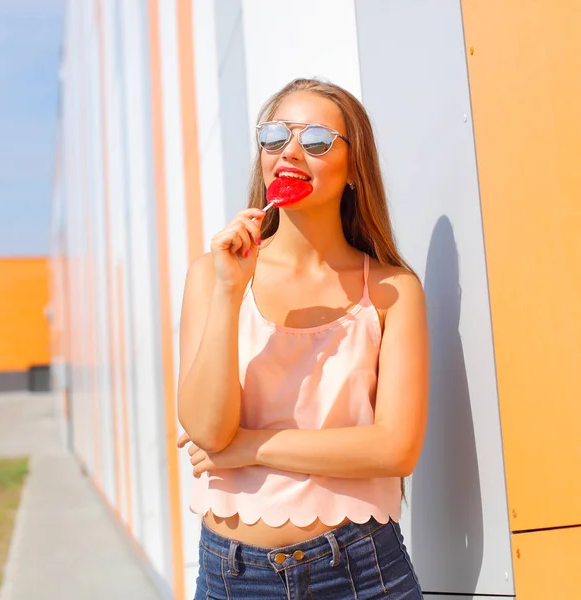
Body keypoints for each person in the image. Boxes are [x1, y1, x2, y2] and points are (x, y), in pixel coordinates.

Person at [177, 78, 429, 599]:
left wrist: (249, 447)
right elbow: (205, 429)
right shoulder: (212, 275)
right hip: (233, 577)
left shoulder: (391, 290)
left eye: (315, 140)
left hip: (361, 572)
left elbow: (395, 449)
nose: (289, 151)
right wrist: (229, 292)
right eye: (274, 136)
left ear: (355, 166)